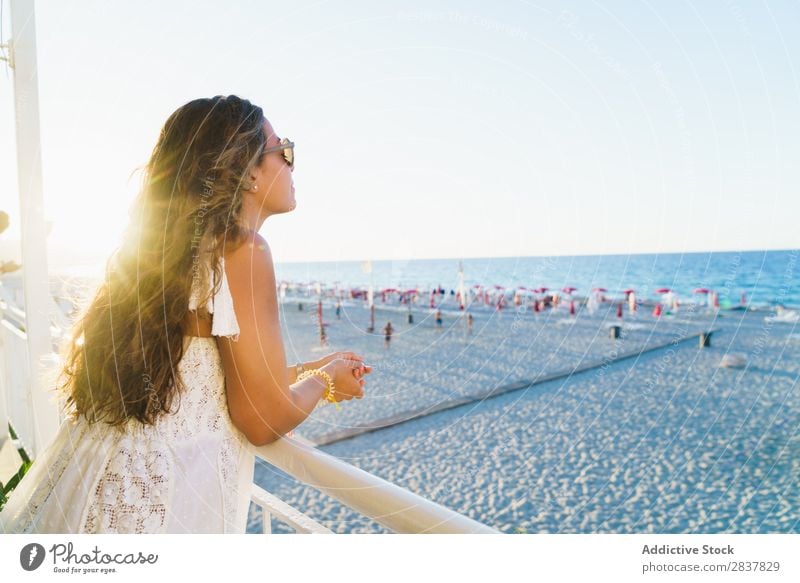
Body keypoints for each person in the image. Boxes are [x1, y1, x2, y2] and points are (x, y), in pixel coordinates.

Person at [0, 95, 372, 534]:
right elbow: (260, 418)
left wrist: (314, 369)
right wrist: (326, 383)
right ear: (249, 171)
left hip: (107, 479)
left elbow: (206, 379)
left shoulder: (172, 257)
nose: (292, 165)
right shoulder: (244, 251)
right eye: (284, 151)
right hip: (166, 495)